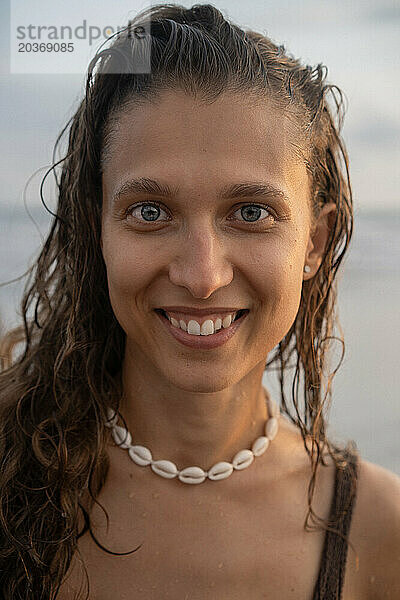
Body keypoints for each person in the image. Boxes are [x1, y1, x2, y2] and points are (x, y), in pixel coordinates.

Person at [0, 3, 399, 599]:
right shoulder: (9, 472)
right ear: (97, 233)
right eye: (151, 212)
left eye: (251, 213)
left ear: (312, 243)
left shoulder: (377, 527)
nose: (203, 276)